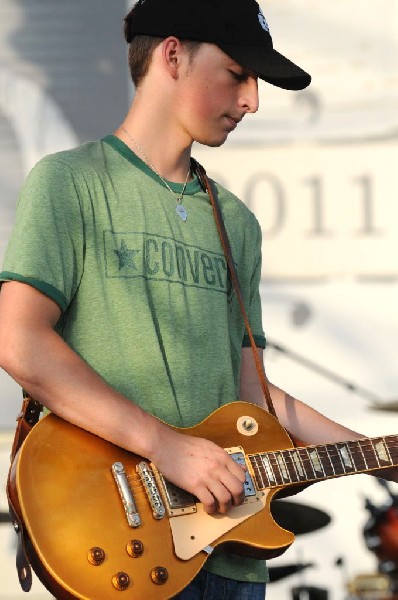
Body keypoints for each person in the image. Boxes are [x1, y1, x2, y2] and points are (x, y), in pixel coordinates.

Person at [0, 1, 397, 599]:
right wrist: (167, 449)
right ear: (173, 54)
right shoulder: (70, 183)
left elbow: (249, 392)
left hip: (232, 560)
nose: (253, 101)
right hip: (121, 552)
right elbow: (20, 340)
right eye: (238, 73)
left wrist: (379, 454)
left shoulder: (235, 221)